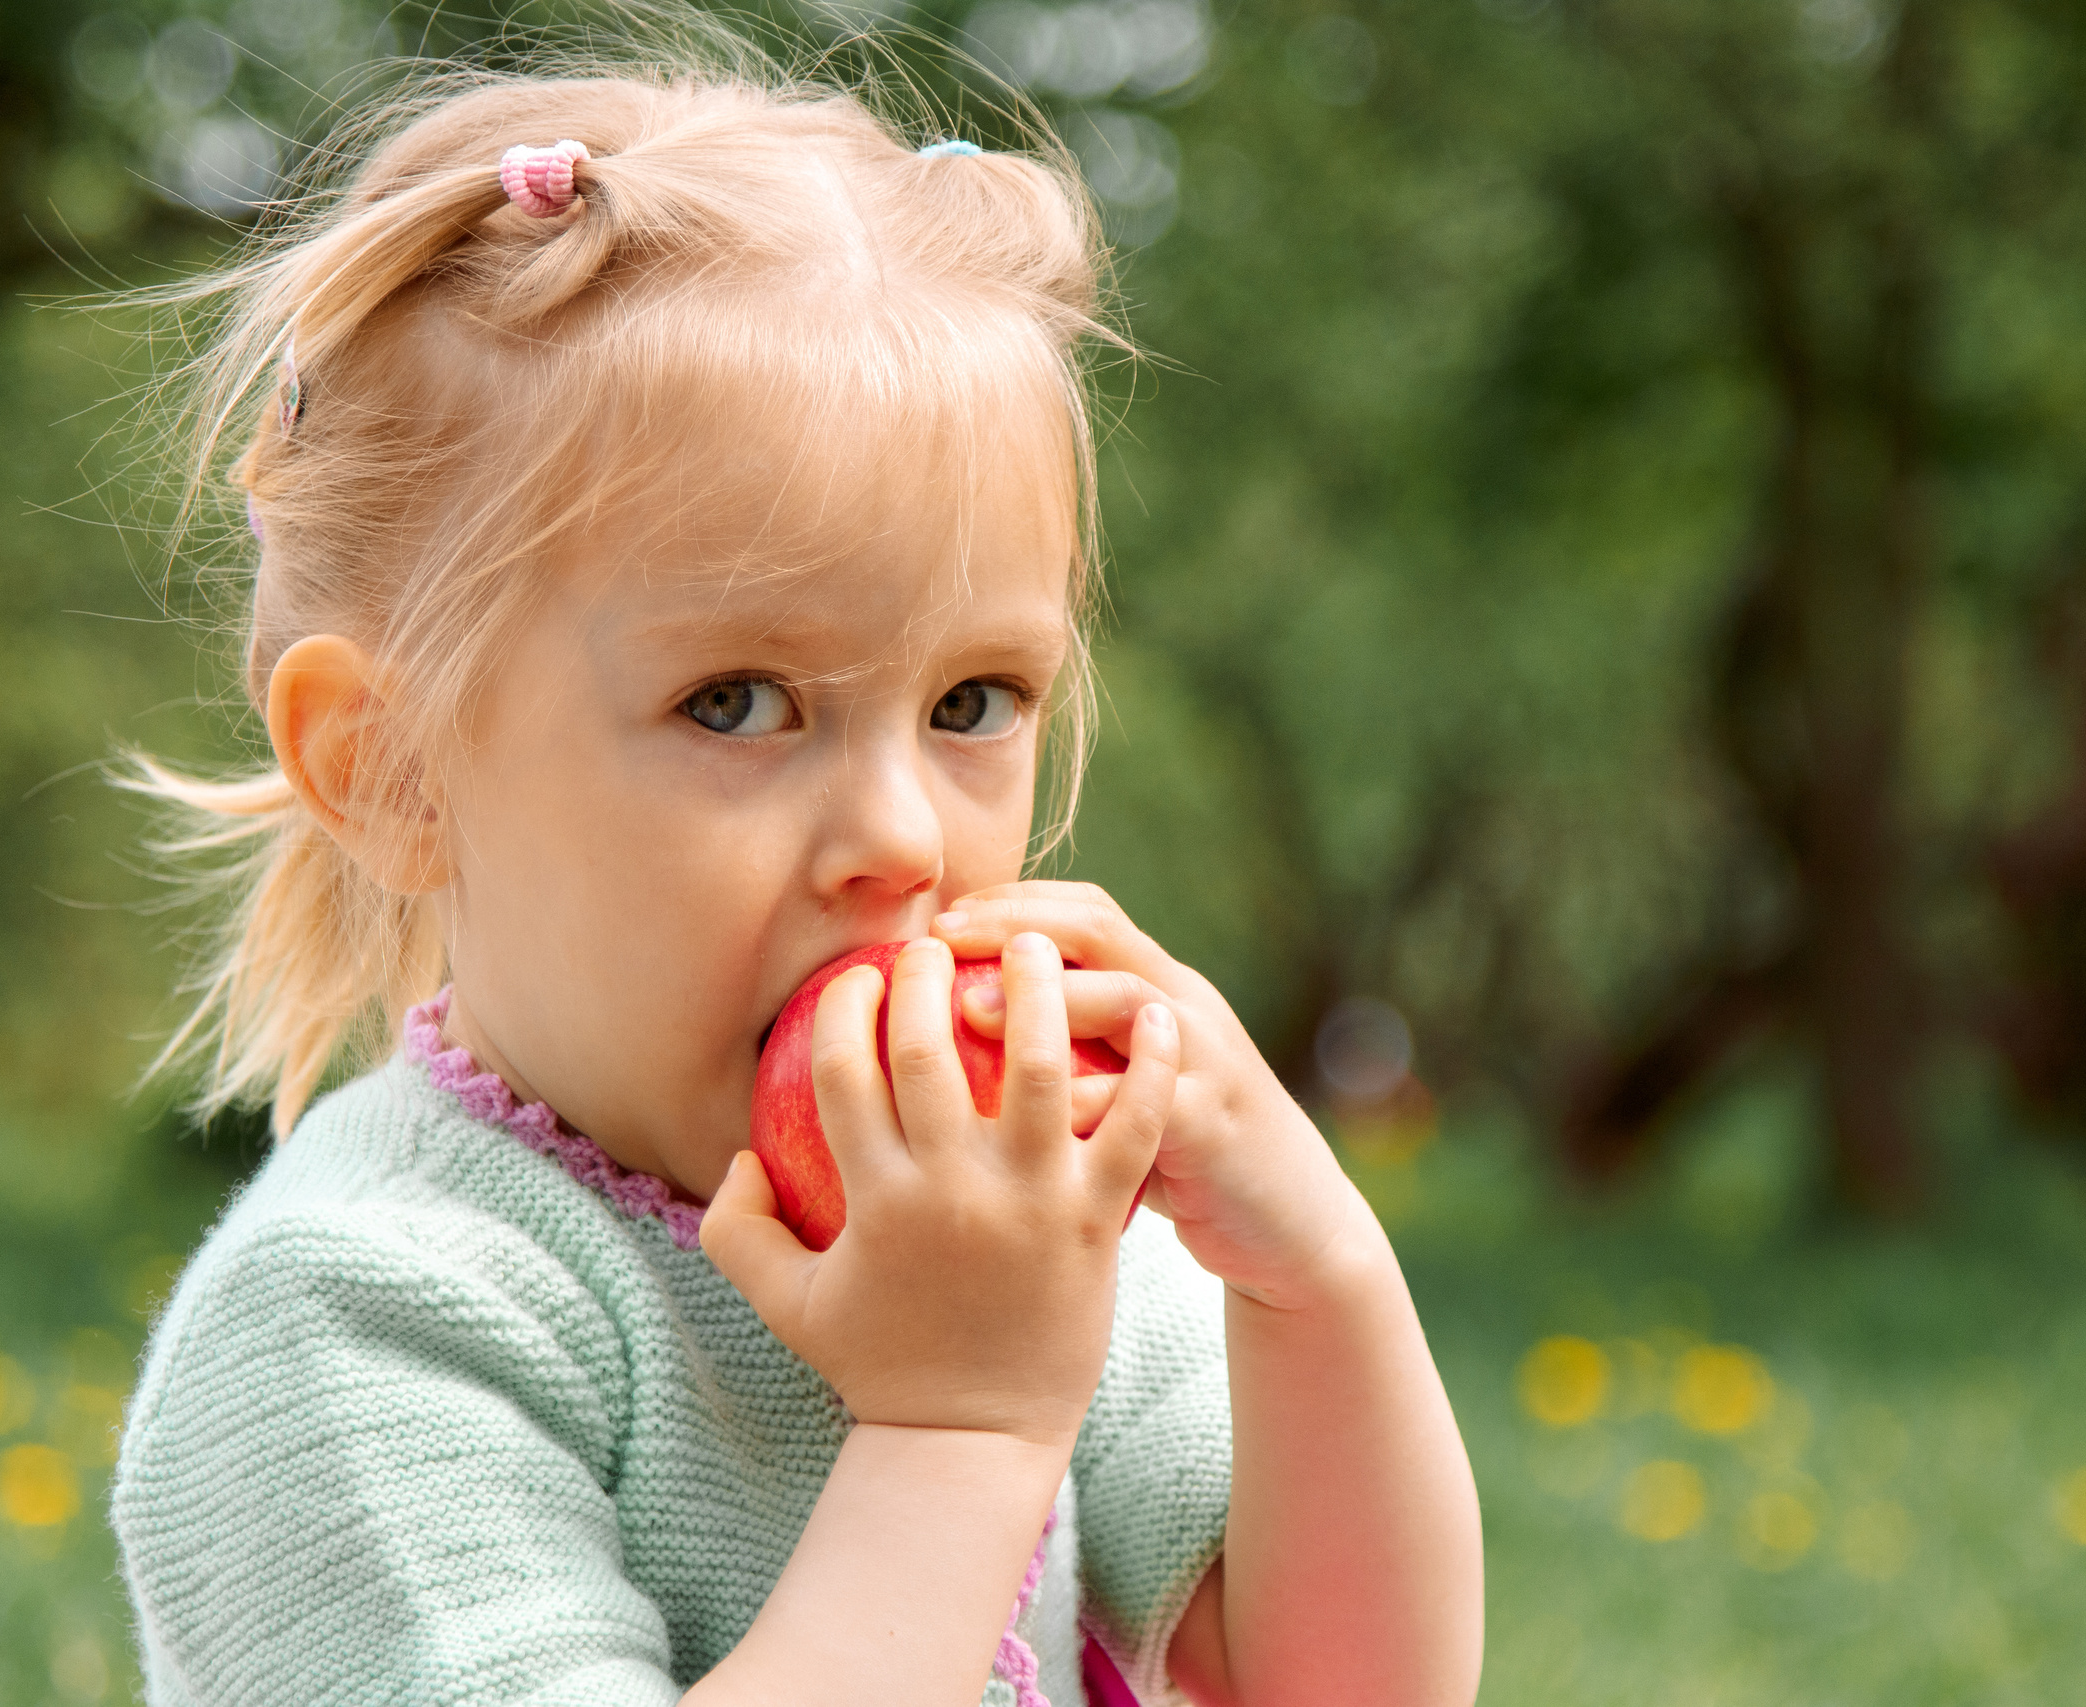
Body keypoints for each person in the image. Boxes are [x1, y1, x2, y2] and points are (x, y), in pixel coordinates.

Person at [110, 47, 1482, 1707]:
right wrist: (958, 1430)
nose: (904, 839)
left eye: (972, 705)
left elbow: (1341, 1686)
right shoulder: (359, 1316)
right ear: (393, 773)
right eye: (739, 704)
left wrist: (1312, 1275)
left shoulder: (998, 1220)